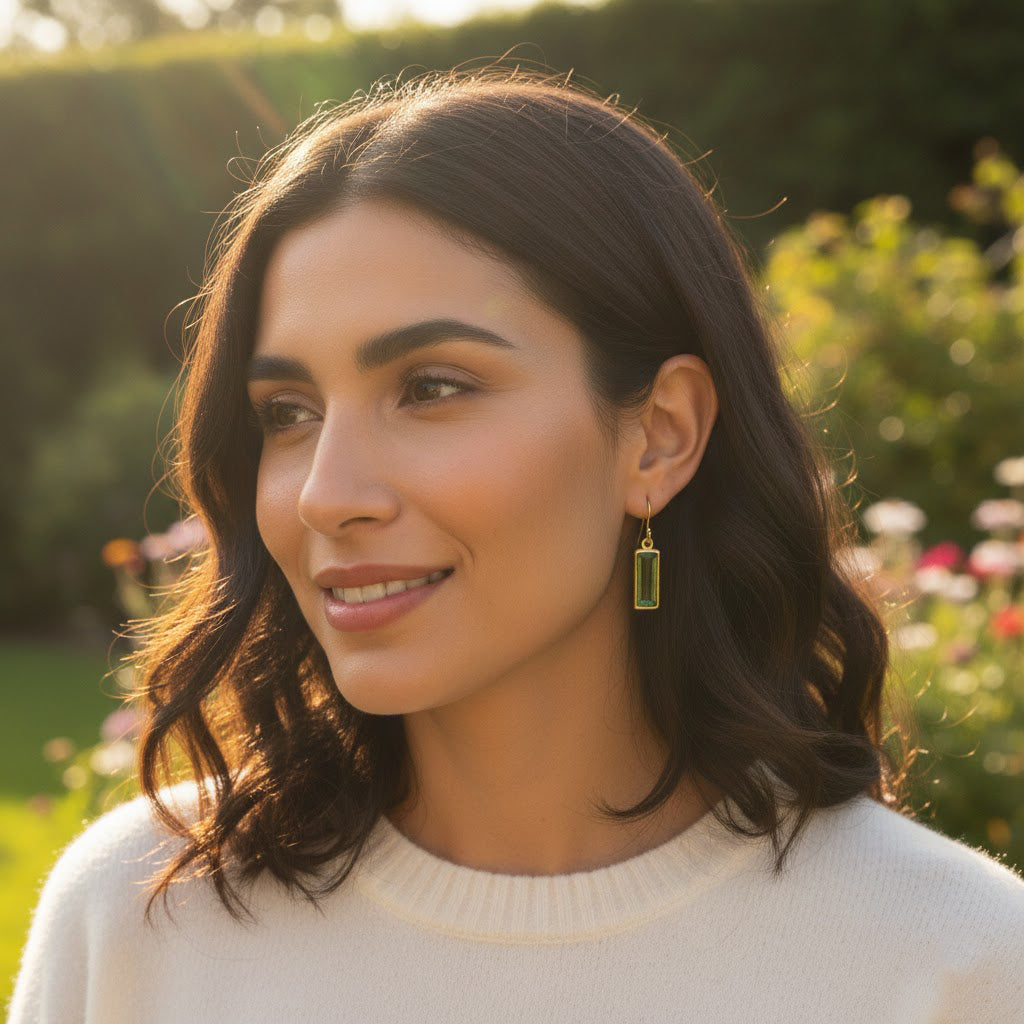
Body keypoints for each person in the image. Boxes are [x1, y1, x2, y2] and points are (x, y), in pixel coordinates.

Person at [8, 64, 1024, 1024]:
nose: (325, 495)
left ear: (660, 435)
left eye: (431, 388)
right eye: (287, 411)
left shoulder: (953, 962)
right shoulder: (141, 921)